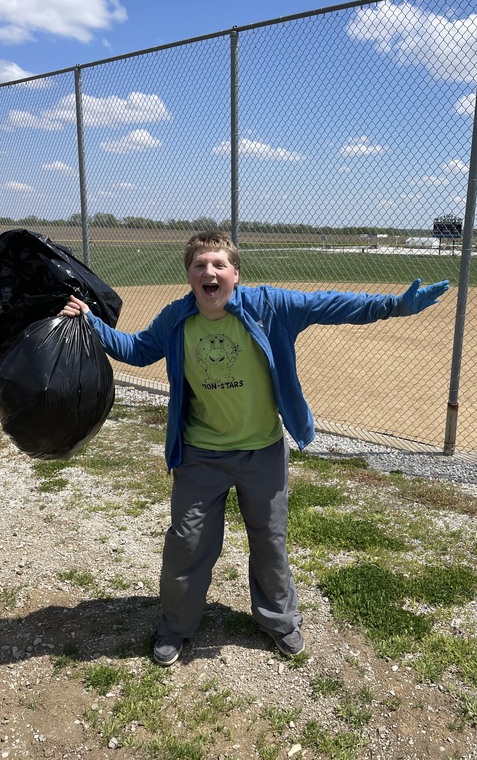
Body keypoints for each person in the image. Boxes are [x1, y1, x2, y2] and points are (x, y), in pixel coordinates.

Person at [59, 231, 449, 666]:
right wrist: (92, 323)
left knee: (270, 541)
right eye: (199, 265)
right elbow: (137, 349)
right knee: (187, 543)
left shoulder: (268, 306)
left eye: (219, 265)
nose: (209, 272)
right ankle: (176, 626)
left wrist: (392, 306)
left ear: (235, 274)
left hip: (261, 451)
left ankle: (279, 621)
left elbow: (330, 304)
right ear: (189, 276)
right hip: (200, 453)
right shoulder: (177, 318)